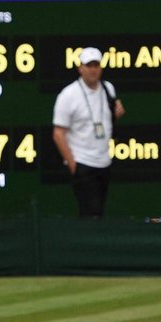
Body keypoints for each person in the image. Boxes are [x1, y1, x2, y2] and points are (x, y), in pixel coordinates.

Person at [51, 46, 125, 218]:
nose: (93, 69)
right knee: (91, 213)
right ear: (80, 68)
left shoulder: (108, 89)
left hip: (104, 162)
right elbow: (58, 133)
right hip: (82, 163)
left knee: (98, 212)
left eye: (96, 65)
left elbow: (107, 118)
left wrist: (117, 112)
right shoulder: (68, 95)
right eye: (89, 65)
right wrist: (74, 166)